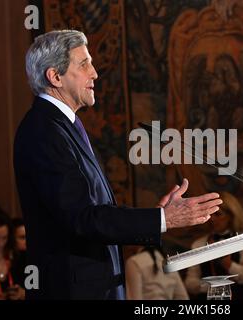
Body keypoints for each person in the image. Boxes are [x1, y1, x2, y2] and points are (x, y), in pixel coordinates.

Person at [13, 29, 222, 300]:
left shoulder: (64, 125)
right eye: (84, 64)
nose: (95, 73)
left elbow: (96, 211)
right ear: (55, 77)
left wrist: (157, 215)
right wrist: (162, 219)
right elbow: (81, 218)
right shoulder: (44, 131)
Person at [184, 192, 243, 300]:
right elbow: (189, 282)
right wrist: (210, 286)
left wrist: (228, 264)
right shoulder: (199, 244)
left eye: (218, 214)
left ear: (231, 216)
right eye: (210, 214)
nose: (212, 219)